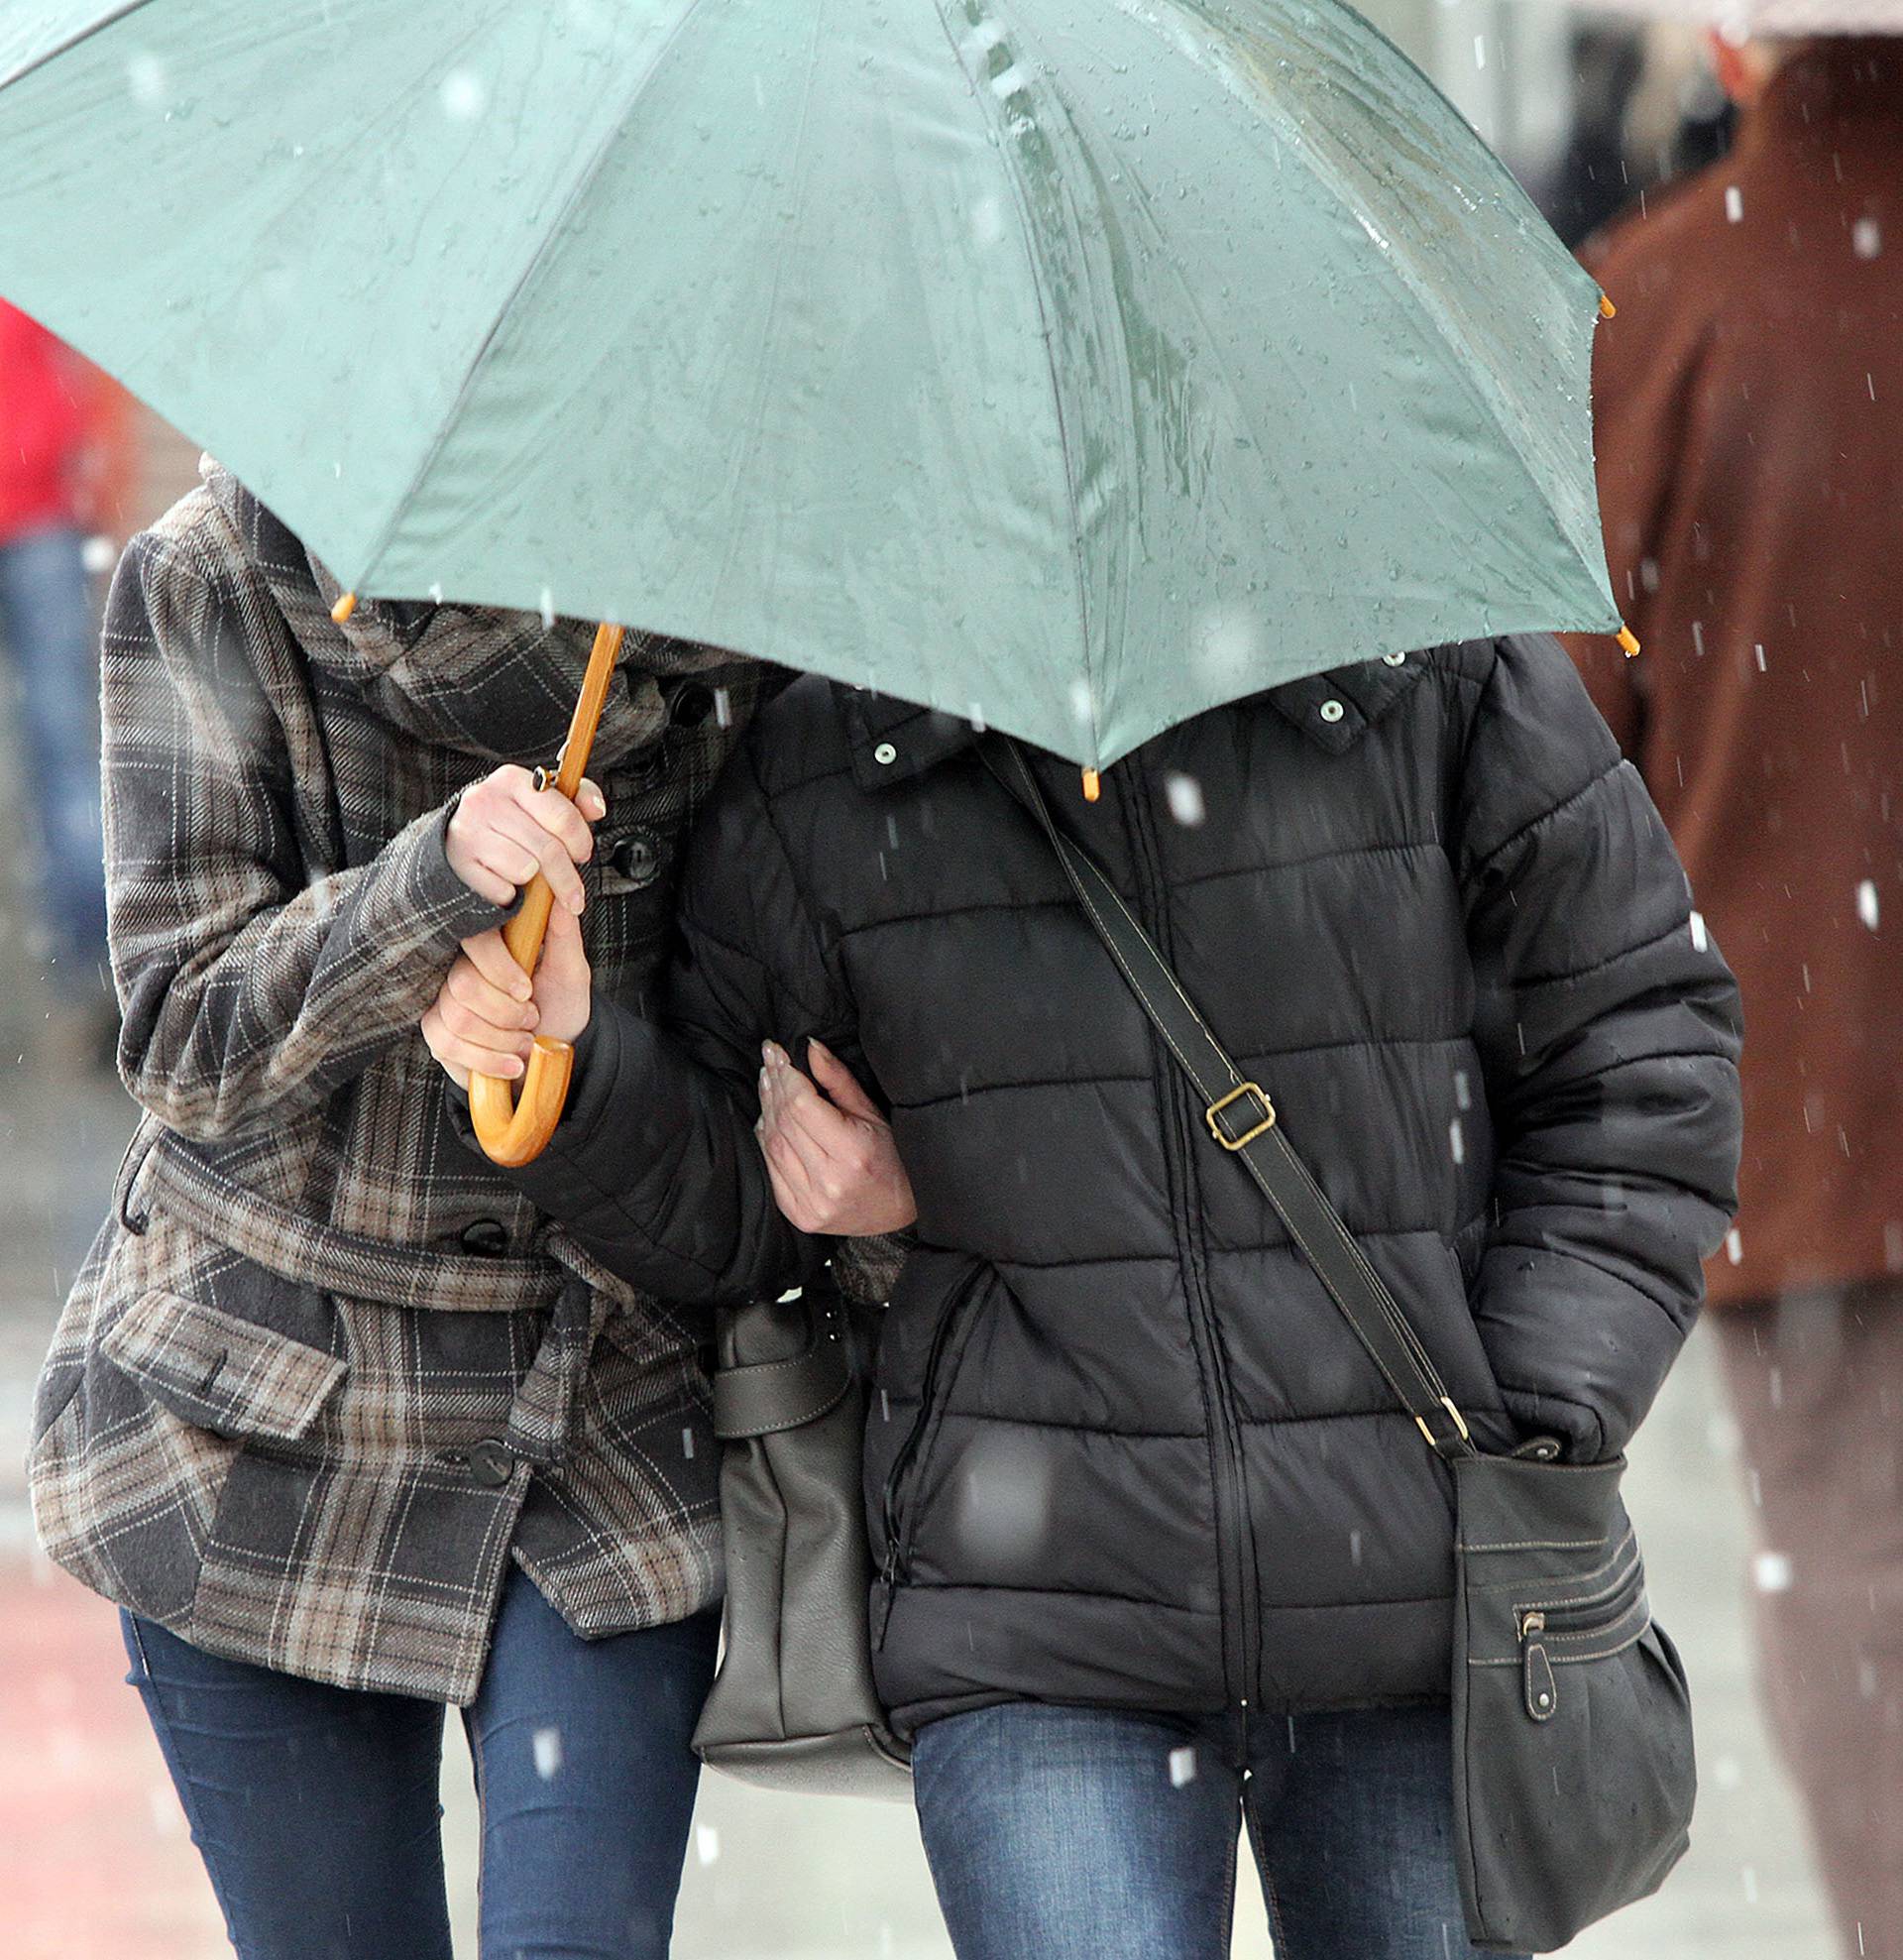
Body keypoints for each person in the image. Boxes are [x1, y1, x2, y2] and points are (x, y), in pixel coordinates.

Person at [425, 634, 1743, 1959]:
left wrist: (1537, 1415)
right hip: (1037, 1628)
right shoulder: (830, 760)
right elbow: (725, 1210)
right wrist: (575, 1063)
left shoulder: (1439, 679)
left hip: (1421, 1609)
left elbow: (1643, 1055)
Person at [26, 457, 784, 1960]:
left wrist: (569, 1055)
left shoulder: (725, 629)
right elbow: (183, 1036)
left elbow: (746, 1072)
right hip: (258, 1411)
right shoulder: (221, 573)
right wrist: (421, 892)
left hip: (593, 1421)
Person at [1564, 34, 1903, 1958]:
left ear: (1729, 45)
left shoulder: (1665, 306)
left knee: (1860, 1581)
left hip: (1814, 1098)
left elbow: (1565, 760)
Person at [0, 299, 134, 1046]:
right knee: (64, 751)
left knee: (65, 748)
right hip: (43, 515)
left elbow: (96, 370)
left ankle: (98, 966)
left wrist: (107, 483)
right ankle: (94, 964)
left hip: (42, 514)